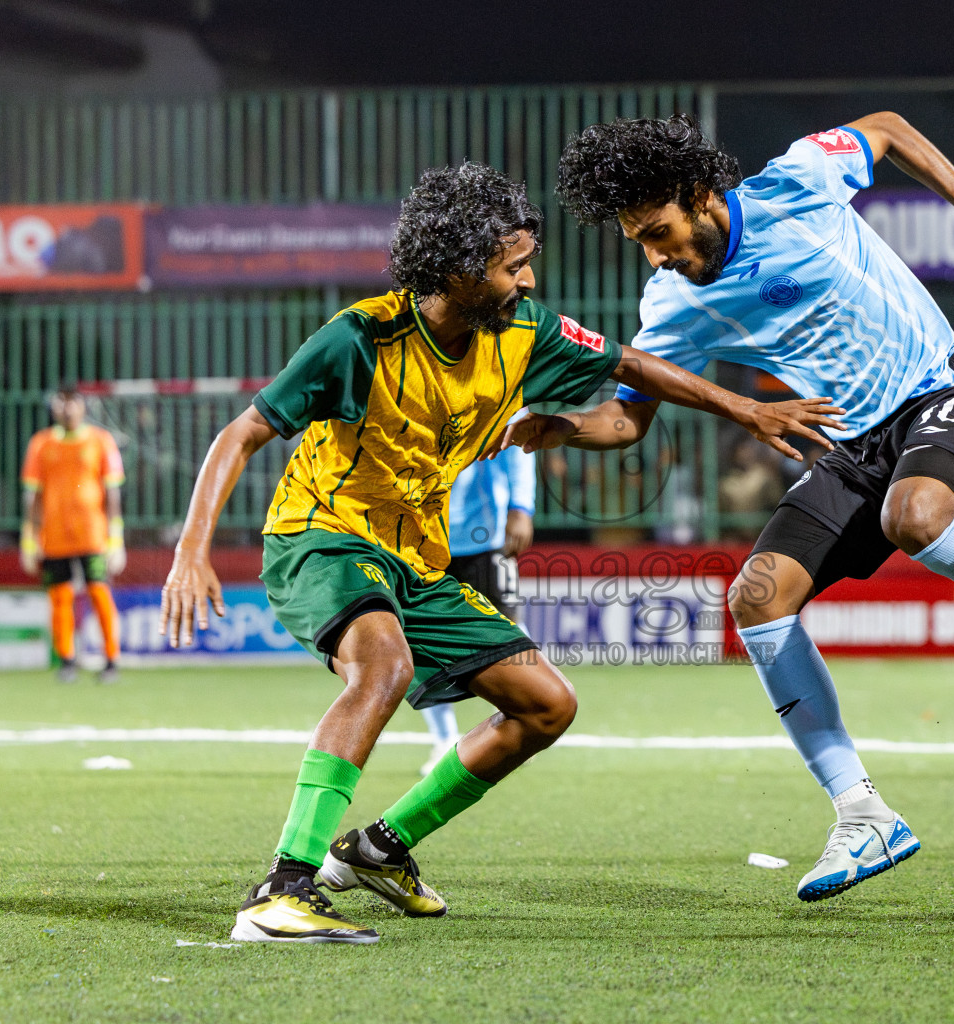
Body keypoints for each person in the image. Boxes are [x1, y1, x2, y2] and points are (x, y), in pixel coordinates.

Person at [158, 162, 842, 945]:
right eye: (512, 265)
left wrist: (744, 408)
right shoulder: (360, 338)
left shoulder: (523, 333)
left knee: (547, 703)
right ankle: (281, 891)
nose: (528, 279)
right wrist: (191, 552)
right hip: (323, 535)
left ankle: (381, 849)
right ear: (457, 267)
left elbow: (631, 367)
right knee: (383, 666)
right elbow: (242, 431)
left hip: (414, 560)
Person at [541, 113, 954, 903]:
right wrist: (544, 427)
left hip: (947, 391)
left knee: (916, 517)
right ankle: (863, 816)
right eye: (639, 242)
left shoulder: (798, 181)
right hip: (853, 447)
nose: (654, 255)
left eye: (659, 231)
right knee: (756, 598)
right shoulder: (676, 305)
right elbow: (626, 419)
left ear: (699, 196)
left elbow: (889, 129)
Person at [420, 442, 539, 775]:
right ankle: (443, 740)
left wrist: (521, 507)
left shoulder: (498, 391)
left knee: (508, 630)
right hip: (423, 537)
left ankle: (529, 718)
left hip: (485, 534)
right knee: (426, 636)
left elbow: (520, 446)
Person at [19, 389, 126, 683]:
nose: (67, 409)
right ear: (54, 408)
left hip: (92, 534)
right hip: (54, 537)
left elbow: (112, 492)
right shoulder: (41, 444)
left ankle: (111, 660)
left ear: (82, 407)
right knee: (60, 598)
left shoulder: (100, 441)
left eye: (72, 402)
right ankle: (67, 660)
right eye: (61, 402)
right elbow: (32, 495)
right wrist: (29, 540)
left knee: (99, 592)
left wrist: (117, 538)